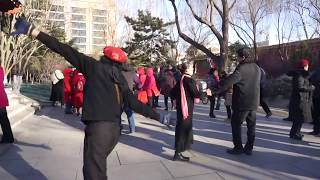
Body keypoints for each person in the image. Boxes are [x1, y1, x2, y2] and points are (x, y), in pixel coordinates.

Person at [12, 18, 160, 180]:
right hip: (114, 131)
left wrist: (34, 32)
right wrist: (157, 115)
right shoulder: (120, 78)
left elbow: (64, 49)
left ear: (105, 57)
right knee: (95, 170)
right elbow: (133, 103)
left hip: (99, 130)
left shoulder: (94, 67)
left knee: (93, 173)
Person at [216, 48, 261, 155]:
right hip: (254, 102)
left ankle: (238, 148)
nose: (237, 59)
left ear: (243, 57)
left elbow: (229, 82)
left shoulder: (241, 69)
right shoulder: (257, 67)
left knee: (236, 124)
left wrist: (215, 90)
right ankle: (249, 148)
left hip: (242, 103)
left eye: (238, 57)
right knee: (251, 126)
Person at [171, 63, 201, 161]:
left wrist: (175, 101)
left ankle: (179, 150)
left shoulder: (181, 79)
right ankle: (177, 152)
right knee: (184, 129)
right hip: (186, 109)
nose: (193, 69)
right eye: (192, 67)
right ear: (187, 69)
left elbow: (172, 92)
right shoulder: (189, 80)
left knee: (180, 127)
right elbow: (196, 93)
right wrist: (205, 93)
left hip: (181, 108)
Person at [288, 59, 314, 140]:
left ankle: (294, 133)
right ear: (304, 66)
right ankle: (295, 133)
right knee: (299, 118)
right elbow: (300, 87)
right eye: (307, 65)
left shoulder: (300, 74)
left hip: (300, 99)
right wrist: (311, 88)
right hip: (299, 100)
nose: (308, 67)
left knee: (298, 119)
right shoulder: (300, 75)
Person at [0, 66, 14, 144]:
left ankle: (8, 137)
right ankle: (9, 137)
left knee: (4, 120)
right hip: (2, 97)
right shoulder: (1, 69)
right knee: (4, 120)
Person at [121, 65, 137, 133]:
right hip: (129, 94)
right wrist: (137, 88)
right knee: (129, 112)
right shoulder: (132, 72)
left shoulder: (119, 72)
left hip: (120, 94)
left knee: (118, 112)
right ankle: (132, 128)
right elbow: (138, 82)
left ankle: (118, 128)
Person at [309, 66, 320, 136]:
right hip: (317, 95)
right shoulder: (317, 71)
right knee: (316, 114)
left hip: (316, 95)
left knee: (316, 114)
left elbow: (310, 79)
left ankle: (316, 130)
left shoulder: (316, 71)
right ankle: (316, 130)